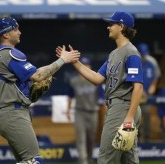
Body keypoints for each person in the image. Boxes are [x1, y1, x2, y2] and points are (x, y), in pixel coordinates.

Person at [0, 17, 80, 164]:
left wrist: (52, 68)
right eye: (15, 29)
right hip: (13, 113)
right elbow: (38, 76)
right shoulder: (10, 53)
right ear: (5, 34)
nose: (19, 32)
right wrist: (62, 60)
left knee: (25, 161)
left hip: (6, 114)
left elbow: (34, 74)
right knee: (34, 160)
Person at [56, 11, 143, 164]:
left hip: (123, 107)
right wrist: (75, 62)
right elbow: (97, 79)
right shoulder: (114, 54)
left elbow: (138, 88)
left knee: (106, 159)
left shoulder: (131, 52)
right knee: (128, 160)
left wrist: (129, 117)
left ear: (121, 26)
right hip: (120, 107)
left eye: (111, 24)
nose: (108, 27)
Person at [66, 57, 106, 164]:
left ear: (90, 66)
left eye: (86, 64)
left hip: (93, 112)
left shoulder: (95, 80)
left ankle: (89, 158)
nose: (84, 66)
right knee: (81, 137)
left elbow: (102, 98)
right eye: (83, 64)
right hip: (80, 112)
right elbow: (70, 97)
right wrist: (68, 110)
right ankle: (83, 160)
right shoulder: (74, 81)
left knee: (90, 138)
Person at [137, 43, 161, 142]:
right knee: (136, 116)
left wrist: (153, 85)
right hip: (136, 94)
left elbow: (156, 75)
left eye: (145, 54)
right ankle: (136, 138)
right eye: (142, 54)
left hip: (147, 95)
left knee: (146, 114)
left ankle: (146, 138)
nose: (144, 56)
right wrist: (140, 91)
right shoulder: (134, 62)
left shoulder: (151, 62)